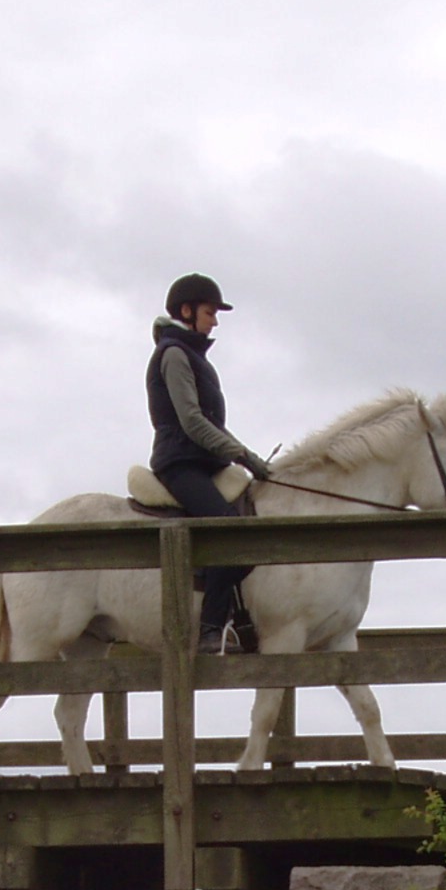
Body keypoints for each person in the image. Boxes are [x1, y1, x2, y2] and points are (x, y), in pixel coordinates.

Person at [148, 275, 271, 653]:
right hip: (180, 463)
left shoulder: (196, 358)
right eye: (209, 312)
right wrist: (244, 455)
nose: (215, 321)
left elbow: (211, 426)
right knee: (230, 534)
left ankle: (238, 617)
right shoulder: (174, 355)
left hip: (204, 462)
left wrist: (239, 454)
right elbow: (192, 421)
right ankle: (210, 631)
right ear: (186, 311)